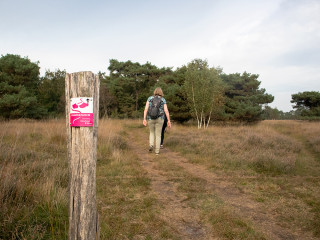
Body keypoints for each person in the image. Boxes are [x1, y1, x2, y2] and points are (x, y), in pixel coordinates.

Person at [143, 87, 171, 155]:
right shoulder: (163, 100)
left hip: (150, 118)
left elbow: (146, 109)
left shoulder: (150, 98)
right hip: (160, 118)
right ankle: (157, 152)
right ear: (161, 92)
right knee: (158, 135)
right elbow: (166, 111)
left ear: (154, 92)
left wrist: (144, 119)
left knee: (152, 132)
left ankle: (151, 145)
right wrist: (169, 120)